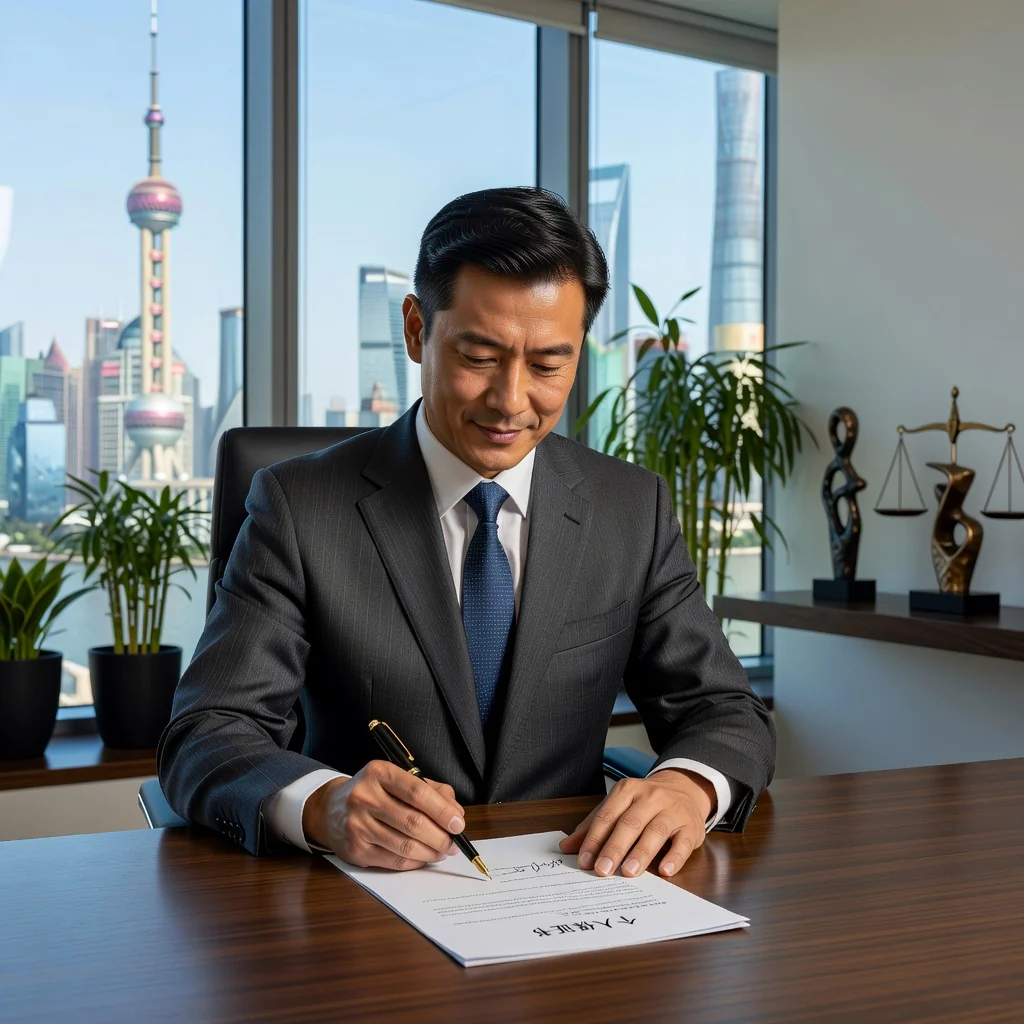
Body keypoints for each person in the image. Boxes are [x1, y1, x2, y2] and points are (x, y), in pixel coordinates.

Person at [159, 187, 774, 882]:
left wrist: (687, 787)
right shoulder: (302, 507)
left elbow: (725, 708)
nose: (511, 401)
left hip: (575, 897)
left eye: (548, 365)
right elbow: (206, 734)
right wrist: (322, 805)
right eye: (479, 357)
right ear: (418, 330)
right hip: (365, 908)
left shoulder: (631, 507)